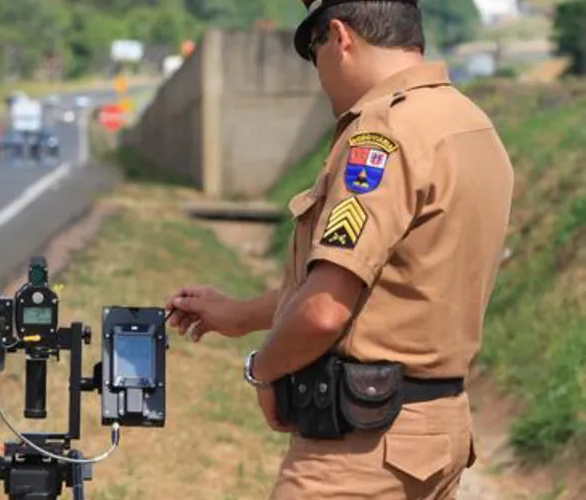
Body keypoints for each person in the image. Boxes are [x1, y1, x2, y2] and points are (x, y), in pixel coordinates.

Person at [166, 1, 514, 498]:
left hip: (361, 449)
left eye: (314, 52)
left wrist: (262, 370)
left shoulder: (382, 134)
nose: (319, 72)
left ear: (340, 37)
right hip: (436, 433)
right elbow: (385, 284)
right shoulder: (470, 125)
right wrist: (241, 315)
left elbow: (327, 310)